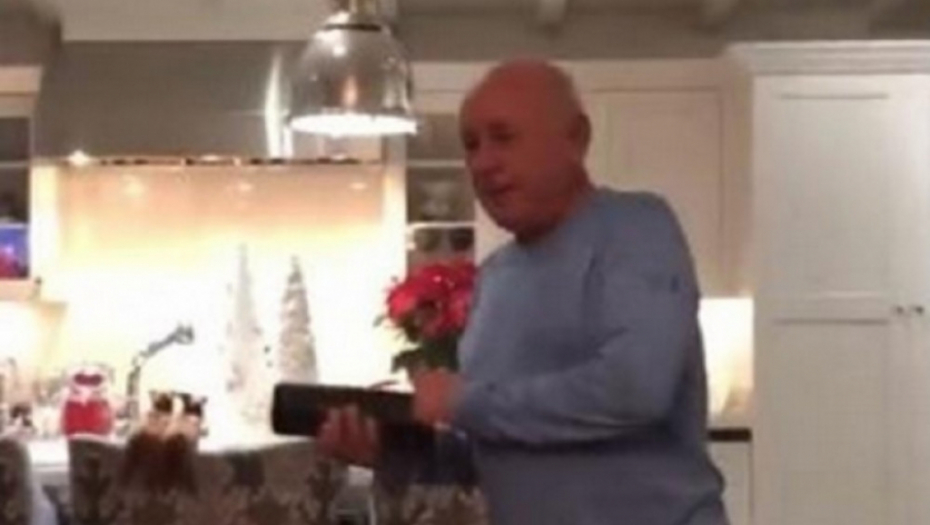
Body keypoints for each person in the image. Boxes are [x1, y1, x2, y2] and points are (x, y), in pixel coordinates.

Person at [318, 59, 728, 525]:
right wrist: (390, 451)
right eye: (471, 144)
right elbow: (492, 454)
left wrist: (461, 402)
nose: (483, 162)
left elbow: (635, 389)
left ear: (576, 139)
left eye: (504, 137)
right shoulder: (494, 280)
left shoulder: (636, 228)